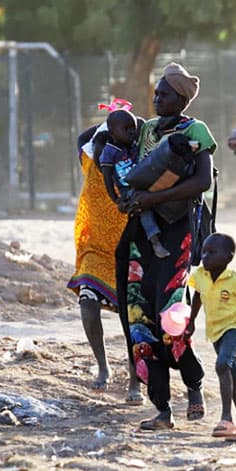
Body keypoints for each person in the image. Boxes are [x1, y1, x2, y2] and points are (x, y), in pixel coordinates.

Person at [115, 62, 216, 431]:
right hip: (142, 236)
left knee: (171, 318)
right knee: (140, 320)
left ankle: (193, 384)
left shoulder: (196, 131)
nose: (157, 98)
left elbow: (202, 181)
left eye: (165, 94)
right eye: (156, 93)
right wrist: (130, 200)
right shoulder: (145, 132)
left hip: (177, 234)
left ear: (182, 99)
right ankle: (162, 409)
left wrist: (152, 201)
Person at [69, 113, 142, 404]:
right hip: (95, 248)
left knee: (131, 318)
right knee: (87, 301)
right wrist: (108, 121)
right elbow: (82, 138)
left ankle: (135, 378)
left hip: (129, 247)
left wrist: (127, 122)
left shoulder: (131, 163)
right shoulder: (89, 158)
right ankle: (103, 366)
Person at [187, 233, 236, 440]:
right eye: (203, 251)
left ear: (228, 257)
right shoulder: (200, 275)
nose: (205, 256)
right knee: (233, 371)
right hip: (215, 331)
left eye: (212, 252)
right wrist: (192, 321)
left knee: (222, 365)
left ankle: (226, 417)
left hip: (234, 327)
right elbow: (197, 297)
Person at [99, 109, 170, 259]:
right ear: (112, 131)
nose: (131, 132)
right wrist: (116, 199)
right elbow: (107, 178)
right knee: (143, 207)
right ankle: (155, 239)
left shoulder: (134, 146)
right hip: (128, 190)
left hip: (144, 182)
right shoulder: (109, 151)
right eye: (126, 129)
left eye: (133, 128)